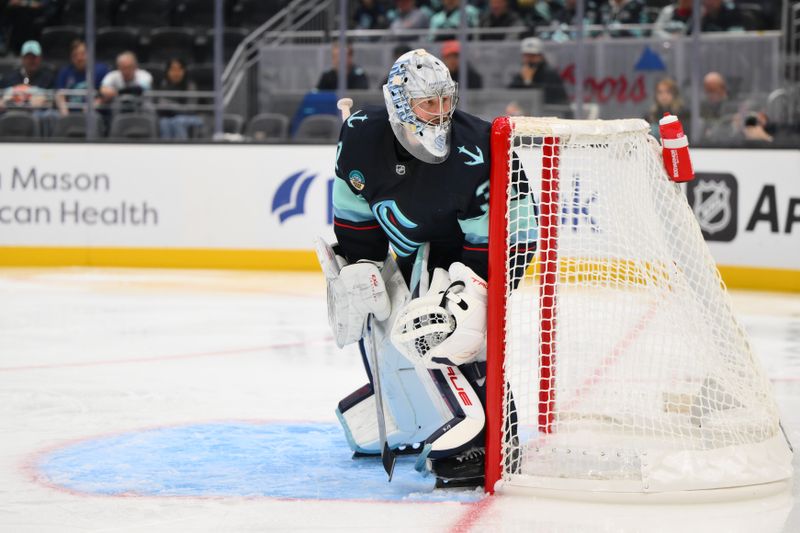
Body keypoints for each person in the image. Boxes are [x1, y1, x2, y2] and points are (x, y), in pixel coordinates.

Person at [321, 49, 530, 488]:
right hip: (418, 247)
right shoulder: (360, 133)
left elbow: (507, 234)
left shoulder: (480, 145)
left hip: (490, 246)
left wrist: (464, 293)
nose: (440, 114)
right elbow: (354, 205)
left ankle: (487, 437)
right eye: (427, 103)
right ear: (399, 103)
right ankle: (410, 411)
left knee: (457, 328)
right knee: (382, 312)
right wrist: (361, 263)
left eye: (444, 101)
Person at [54, 40, 111, 116]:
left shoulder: (101, 70)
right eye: (75, 55)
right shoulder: (65, 72)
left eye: (82, 54)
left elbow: (106, 95)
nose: (79, 58)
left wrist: (92, 106)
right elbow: (60, 95)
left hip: (93, 113)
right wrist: (65, 115)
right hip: (69, 113)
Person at [507, 37, 568, 106]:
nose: (529, 59)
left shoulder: (549, 73)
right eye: (526, 55)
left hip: (552, 112)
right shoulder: (523, 71)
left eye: (532, 56)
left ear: (540, 56)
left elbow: (547, 97)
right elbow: (511, 91)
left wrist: (528, 81)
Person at [156, 58, 204, 139]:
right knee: (164, 122)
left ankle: (182, 148)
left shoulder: (190, 85)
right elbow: (160, 105)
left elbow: (190, 109)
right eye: (173, 70)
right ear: (167, 72)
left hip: (192, 117)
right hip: (170, 118)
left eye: (179, 69)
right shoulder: (164, 84)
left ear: (184, 71)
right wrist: (174, 107)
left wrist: (171, 106)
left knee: (177, 121)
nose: (176, 73)